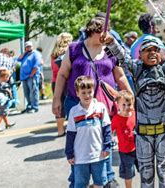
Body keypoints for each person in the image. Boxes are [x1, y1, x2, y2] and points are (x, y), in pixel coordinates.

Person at [102, 31, 165, 188]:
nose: (153, 52)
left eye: (156, 49)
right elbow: (123, 58)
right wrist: (111, 41)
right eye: (148, 50)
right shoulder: (136, 68)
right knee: (146, 177)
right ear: (140, 55)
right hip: (143, 136)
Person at [53, 16, 130, 188]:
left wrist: (131, 96)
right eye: (105, 30)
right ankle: (77, 180)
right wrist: (56, 99)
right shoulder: (74, 49)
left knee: (105, 140)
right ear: (94, 31)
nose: (108, 34)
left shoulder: (110, 50)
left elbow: (120, 75)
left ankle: (106, 178)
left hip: (104, 106)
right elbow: (63, 74)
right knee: (79, 144)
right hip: (76, 104)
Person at [65, 76, 112, 188]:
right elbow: (70, 135)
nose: (87, 95)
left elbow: (107, 129)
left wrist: (107, 146)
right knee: (81, 184)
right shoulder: (74, 112)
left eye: (89, 92)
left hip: (98, 155)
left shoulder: (100, 108)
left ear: (93, 91)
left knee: (99, 183)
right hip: (80, 157)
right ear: (77, 93)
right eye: (83, 92)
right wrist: (69, 153)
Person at [111, 90, 137, 188]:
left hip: (138, 148)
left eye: (129, 104)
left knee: (144, 170)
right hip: (125, 151)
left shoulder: (135, 114)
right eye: (123, 105)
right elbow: (108, 131)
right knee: (128, 173)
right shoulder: (116, 119)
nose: (127, 107)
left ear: (133, 103)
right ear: (117, 105)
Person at [51, 32, 74, 136]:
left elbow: (54, 69)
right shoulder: (69, 51)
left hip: (55, 82)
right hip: (67, 81)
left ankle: (60, 130)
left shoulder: (53, 53)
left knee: (59, 106)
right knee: (71, 104)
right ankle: (72, 128)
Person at [18, 41, 42, 113]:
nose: (28, 48)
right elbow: (19, 59)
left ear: (32, 46)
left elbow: (37, 65)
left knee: (33, 91)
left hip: (32, 76)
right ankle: (29, 106)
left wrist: (32, 74)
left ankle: (35, 107)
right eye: (27, 47)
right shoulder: (26, 54)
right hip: (24, 76)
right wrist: (25, 52)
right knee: (26, 92)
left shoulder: (36, 54)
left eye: (30, 46)